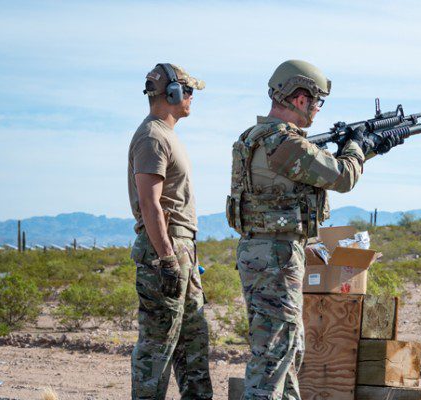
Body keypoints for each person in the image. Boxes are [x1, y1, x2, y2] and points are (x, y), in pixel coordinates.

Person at [226, 59, 400, 399]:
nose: (318, 110)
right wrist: (356, 146)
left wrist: (367, 149)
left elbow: (319, 171)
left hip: (264, 252)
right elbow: (342, 176)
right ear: (300, 98)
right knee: (275, 355)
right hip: (276, 256)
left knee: (287, 349)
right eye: (317, 102)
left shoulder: (256, 138)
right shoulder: (285, 143)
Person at [127, 63, 213, 400]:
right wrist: (167, 260)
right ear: (173, 93)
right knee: (157, 348)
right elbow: (150, 205)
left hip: (181, 251)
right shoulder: (152, 137)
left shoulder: (166, 135)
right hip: (165, 253)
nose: (192, 98)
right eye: (189, 92)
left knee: (193, 342)